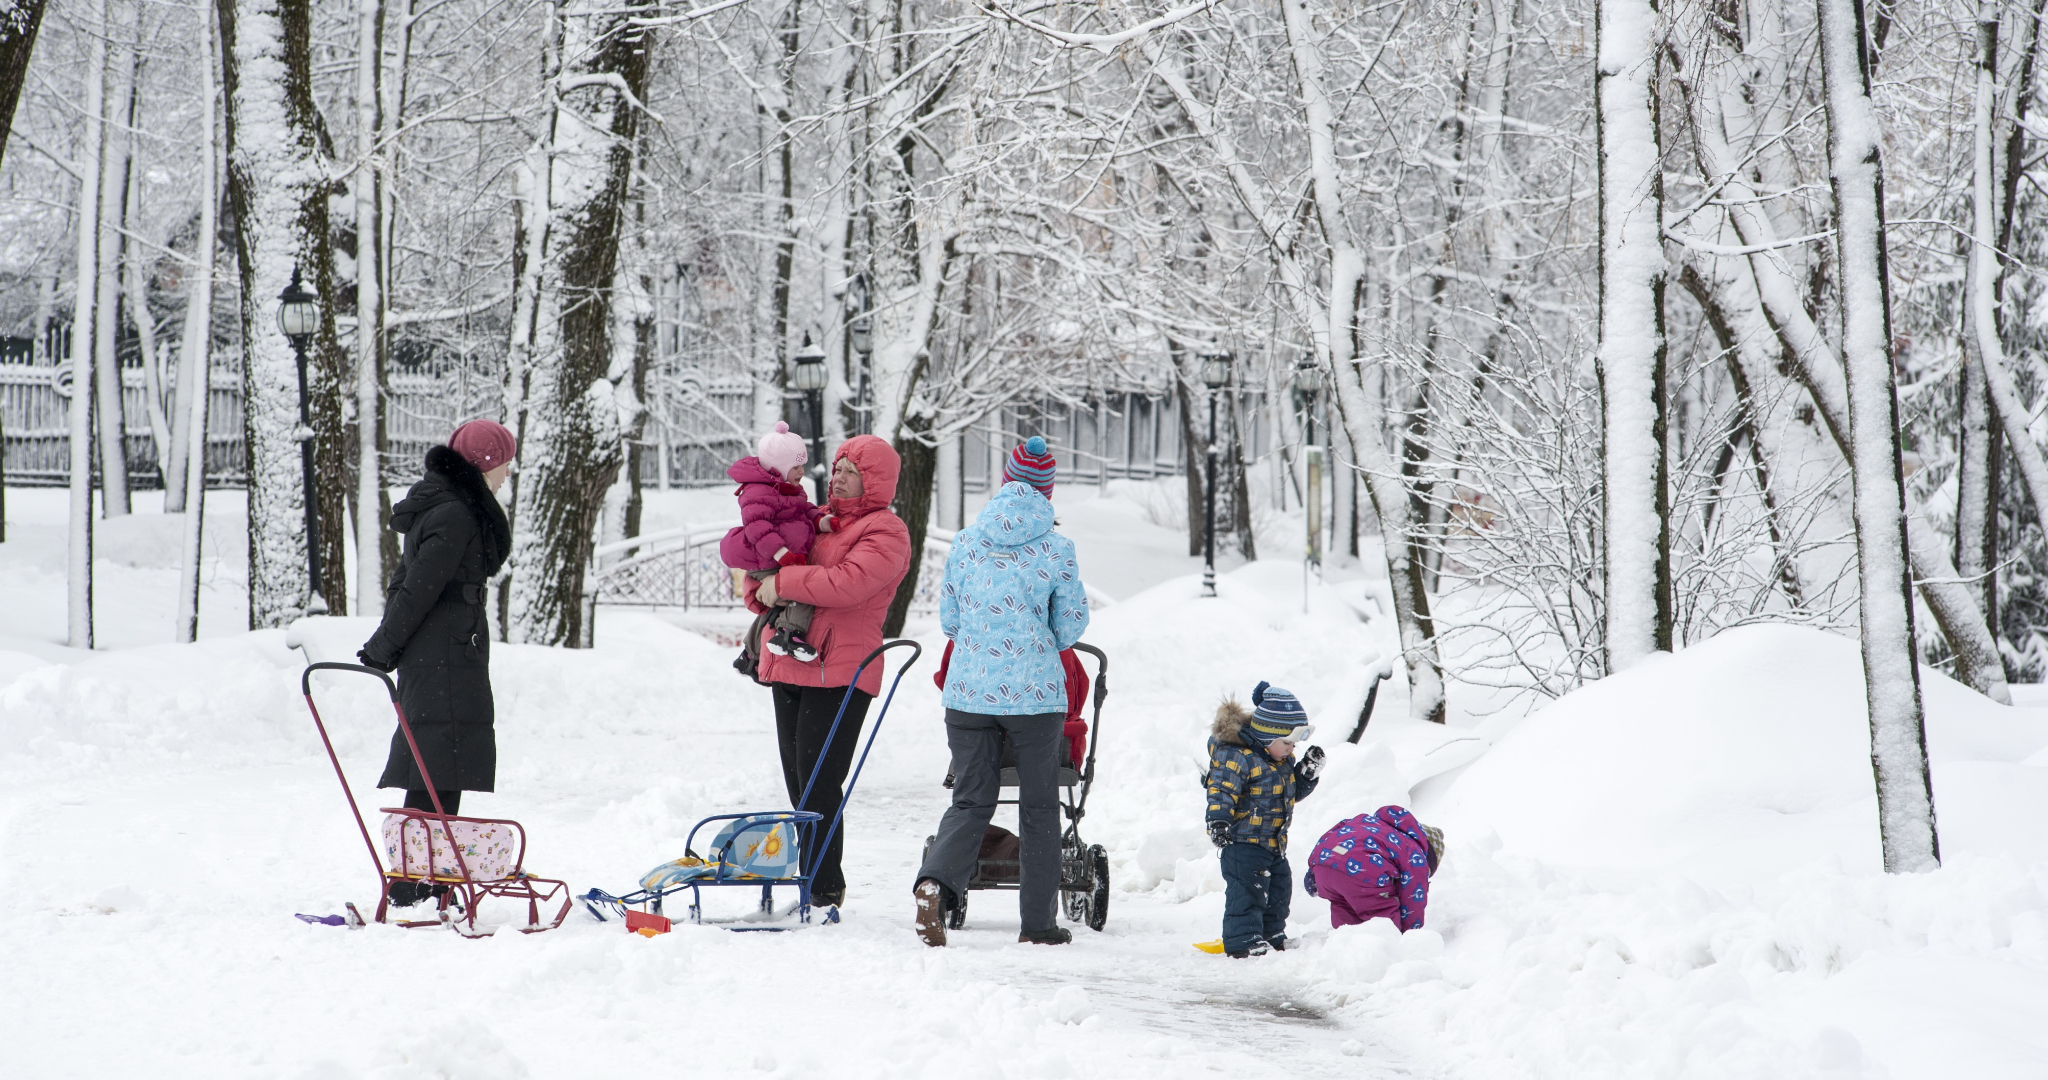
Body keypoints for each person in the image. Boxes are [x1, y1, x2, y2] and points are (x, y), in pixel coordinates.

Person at [913, 437, 1090, 947]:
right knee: (1039, 807)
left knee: (971, 802)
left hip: (968, 696)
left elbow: (950, 620)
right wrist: (1035, 636)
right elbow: (1070, 626)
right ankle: (1037, 923)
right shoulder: (1057, 548)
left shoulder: (967, 541)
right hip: (1035, 701)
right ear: (1047, 490)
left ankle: (934, 883)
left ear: (1006, 483)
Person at [745, 435, 911, 911]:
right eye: (837, 467)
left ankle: (822, 887)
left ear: (873, 481)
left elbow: (846, 584)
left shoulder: (886, 531)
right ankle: (808, 879)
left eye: (850, 471)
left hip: (840, 671)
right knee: (799, 782)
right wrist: (760, 590)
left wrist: (783, 582)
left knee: (820, 782)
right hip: (790, 661)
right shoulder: (814, 520)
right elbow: (767, 568)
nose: (837, 476)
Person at [356, 419, 515, 907]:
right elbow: (419, 587)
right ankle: (414, 884)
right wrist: (383, 646)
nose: (507, 475)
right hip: (443, 655)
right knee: (435, 767)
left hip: (446, 651)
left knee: (439, 766)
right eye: (504, 465)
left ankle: (429, 880)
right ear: (483, 464)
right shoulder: (455, 515)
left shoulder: (452, 508)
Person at [1204, 681, 1327, 957]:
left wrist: (1306, 775)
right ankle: (1243, 940)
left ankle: (1271, 935)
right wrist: (1219, 822)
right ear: (1266, 734)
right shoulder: (1236, 758)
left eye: (1294, 744)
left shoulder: (1280, 761)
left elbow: (1289, 793)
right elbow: (1221, 791)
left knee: (1279, 890)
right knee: (1248, 893)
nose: (1291, 749)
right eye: (1286, 742)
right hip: (1243, 843)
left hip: (1273, 844)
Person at [721, 421, 825, 660]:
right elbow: (758, 527)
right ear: (778, 467)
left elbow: (803, 511)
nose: (802, 472)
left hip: (777, 558)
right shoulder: (759, 492)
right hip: (768, 559)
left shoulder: (788, 489)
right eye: (796, 466)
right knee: (801, 590)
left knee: (778, 603)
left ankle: (751, 653)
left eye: (802, 465)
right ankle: (790, 634)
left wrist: (820, 520)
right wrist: (781, 554)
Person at [1304, 807, 1443, 932]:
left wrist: (1313, 869)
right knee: (1382, 918)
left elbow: (1333, 833)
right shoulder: (1415, 852)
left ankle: (1342, 947)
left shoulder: (1366, 822)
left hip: (1324, 869)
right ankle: (1385, 950)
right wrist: (1410, 934)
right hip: (1361, 875)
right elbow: (1413, 897)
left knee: (1344, 912)